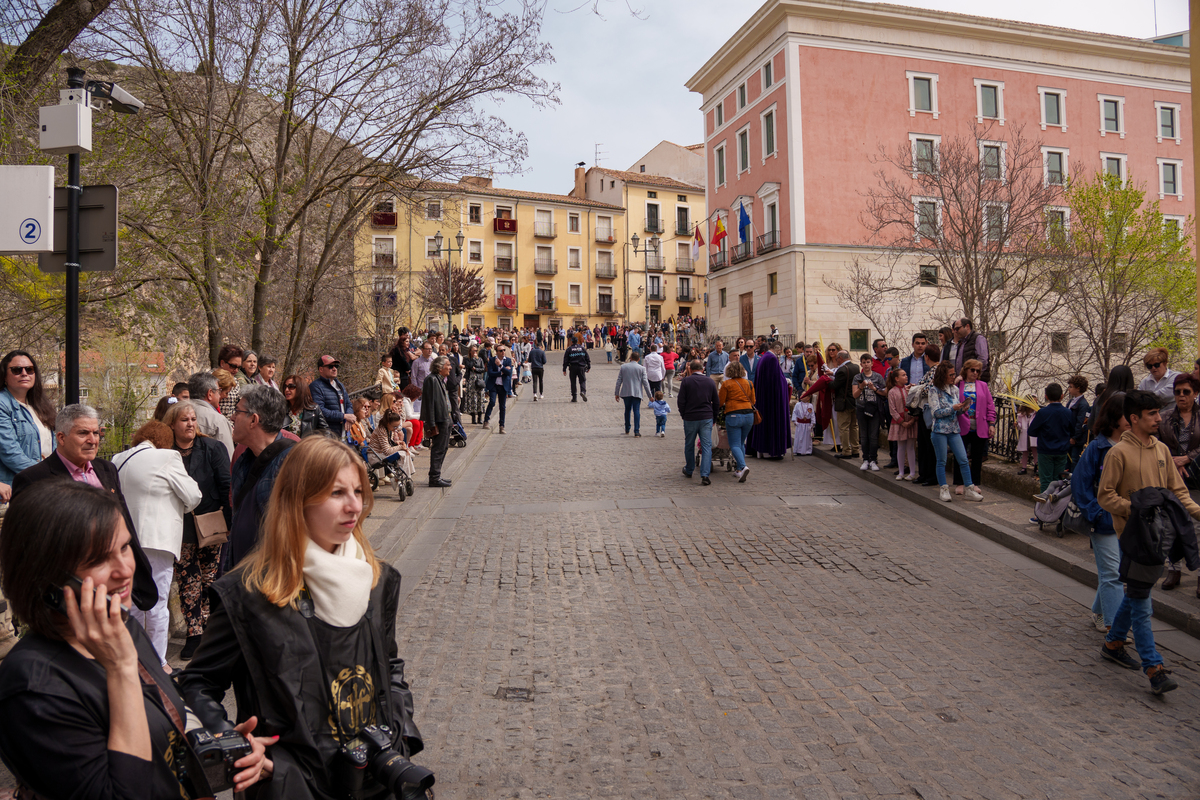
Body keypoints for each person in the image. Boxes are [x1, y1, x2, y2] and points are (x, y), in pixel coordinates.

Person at [178, 436, 425, 799]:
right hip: (294, 784)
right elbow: (198, 684)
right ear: (298, 499)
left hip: (375, 777)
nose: (354, 505)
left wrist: (400, 730)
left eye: (358, 491)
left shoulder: (377, 579)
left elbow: (389, 663)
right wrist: (237, 746)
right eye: (336, 493)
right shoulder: (247, 595)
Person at [0, 481, 270, 799]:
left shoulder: (119, 626)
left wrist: (213, 744)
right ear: (46, 579)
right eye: (99, 559)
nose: (125, 570)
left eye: (125, 547)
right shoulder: (33, 684)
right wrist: (121, 668)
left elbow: (164, 707)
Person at [1097, 390, 1200, 694]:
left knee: (1136, 594)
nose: (1159, 418)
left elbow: (1179, 492)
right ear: (1133, 419)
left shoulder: (1162, 451)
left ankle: (1114, 643)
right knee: (1142, 603)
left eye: (1158, 412)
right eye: (1152, 414)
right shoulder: (1117, 453)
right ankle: (1153, 668)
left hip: (1160, 535)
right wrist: (1134, 510)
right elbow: (1106, 496)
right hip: (1133, 538)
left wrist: (1197, 512)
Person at [12, 404, 159, 612]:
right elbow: (25, 545)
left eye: (96, 433)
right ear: (61, 438)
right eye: (83, 433)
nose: (93, 440)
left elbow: (124, 520)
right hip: (68, 592)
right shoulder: (33, 479)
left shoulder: (106, 469)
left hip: (115, 581)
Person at [111, 420, 202, 669]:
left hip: (125, 540)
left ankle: (135, 657)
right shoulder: (168, 456)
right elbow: (193, 495)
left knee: (133, 601)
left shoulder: (117, 459)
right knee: (158, 602)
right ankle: (159, 662)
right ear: (164, 440)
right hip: (157, 538)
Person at [162, 400, 232, 660]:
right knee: (187, 579)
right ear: (172, 424)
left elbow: (226, 484)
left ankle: (208, 628)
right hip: (179, 526)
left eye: (192, 419)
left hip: (210, 521)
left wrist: (230, 519)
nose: (190, 423)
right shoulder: (164, 452)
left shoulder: (212, 447)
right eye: (184, 420)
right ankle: (194, 633)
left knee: (209, 578)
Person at [1071, 392, 1128, 634]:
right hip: (1104, 521)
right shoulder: (1097, 447)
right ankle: (1116, 632)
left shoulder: (1133, 447)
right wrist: (1096, 514)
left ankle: (1098, 610)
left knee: (1113, 572)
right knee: (1113, 574)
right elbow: (1080, 484)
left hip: (1127, 521)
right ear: (1116, 417)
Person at [227, 385, 295, 568]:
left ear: (253, 420)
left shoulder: (291, 463)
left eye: (237, 411)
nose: (232, 417)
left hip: (271, 581)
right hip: (243, 577)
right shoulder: (243, 459)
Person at [1156, 373, 1200, 593]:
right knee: (1171, 525)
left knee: (1197, 527)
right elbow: (1157, 443)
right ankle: (1174, 569)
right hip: (1171, 478)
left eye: (1186, 392)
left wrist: (1189, 457)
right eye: (1177, 392)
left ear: (1196, 394)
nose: (1181, 396)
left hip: (1197, 480)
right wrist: (1173, 460)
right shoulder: (1164, 417)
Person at [0, 350, 56, 500]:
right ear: (4, 375)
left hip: (45, 487)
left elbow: (55, 444)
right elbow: (9, 451)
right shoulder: (2, 404)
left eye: (29, 369)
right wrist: (46, 474)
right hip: (18, 489)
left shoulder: (41, 405)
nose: (24, 373)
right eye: (17, 370)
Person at [927, 362, 984, 502]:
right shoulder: (934, 390)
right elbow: (935, 413)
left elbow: (955, 412)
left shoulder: (954, 389)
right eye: (951, 375)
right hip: (940, 430)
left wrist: (961, 409)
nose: (954, 377)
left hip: (953, 429)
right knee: (941, 460)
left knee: (963, 459)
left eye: (954, 374)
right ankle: (944, 489)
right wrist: (953, 408)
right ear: (943, 375)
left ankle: (969, 489)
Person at [952, 359, 996, 496]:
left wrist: (992, 424)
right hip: (961, 424)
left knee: (977, 456)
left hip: (979, 425)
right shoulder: (958, 385)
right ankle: (959, 482)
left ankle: (974, 483)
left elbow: (990, 406)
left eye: (978, 371)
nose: (975, 373)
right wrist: (955, 381)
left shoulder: (983, 385)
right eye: (972, 370)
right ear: (966, 370)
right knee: (960, 455)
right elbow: (949, 396)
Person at [678, 359, 719, 485]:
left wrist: (683, 414)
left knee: (689, 444)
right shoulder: (710, 381)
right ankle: (705, 475)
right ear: (702, 369)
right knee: (706, 446)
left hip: (690, 417)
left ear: (690, 369)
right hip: (706, 417)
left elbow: (681, 401)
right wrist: (714, 417)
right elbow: (716, 402)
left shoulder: (686, 381)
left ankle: (689, 469)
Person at [746, 346, 791, 459]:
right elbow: (776, 381)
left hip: (764, 396)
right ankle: (772, 450)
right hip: (771, 399)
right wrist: (785, 384)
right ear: (777, 349)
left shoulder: (763, 358)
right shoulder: (771, 359)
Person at [1028, 383, 1073, 493]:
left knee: (1046, 480)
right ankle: (1056, 504)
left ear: (1046, 396)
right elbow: (1072, 430)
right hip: (1061, 450)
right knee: (1058, 480)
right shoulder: (1068, 412)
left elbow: (1031, 431)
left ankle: (1045, 505)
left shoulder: (1043, 412)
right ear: (1062, 396)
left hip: (1045, 450)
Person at [719, 360, 755, 481]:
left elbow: (720, 402)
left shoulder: (726, 384)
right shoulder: (749, 383)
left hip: (733, 414)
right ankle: (739, 469)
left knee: (734, 444)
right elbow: (753, 401)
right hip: (749, 415)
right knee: (740, 442)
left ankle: (743, 466)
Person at [188, 370, 235, 460]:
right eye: (218, 391)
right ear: (210, 394)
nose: (220, 395)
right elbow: (227, 456)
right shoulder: (218, 420)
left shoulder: (176, 412)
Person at [422, 356, 454, 487]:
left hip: (445, 418)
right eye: (448, 365)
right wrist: (432, 423)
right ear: (440, 367)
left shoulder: (439, 380)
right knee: (438, 449)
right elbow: (429, 403)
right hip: (439, 420)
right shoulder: (431, 380)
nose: (450, 367)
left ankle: (437, 475)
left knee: (443, 447)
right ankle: (434, 477)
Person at [851, 354, 885, 471]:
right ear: (861, 364)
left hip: (874, 410)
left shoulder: (878, 377)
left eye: (868, 362)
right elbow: (854, 395)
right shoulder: (857, 377)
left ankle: (874, 460)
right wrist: (861, 387)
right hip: (861, 409)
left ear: (872, 363)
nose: (866, 364)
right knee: (864, 436)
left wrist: (874, 388)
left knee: (874, 436)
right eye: (864, 362)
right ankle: (865, 459)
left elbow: (884, 392)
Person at [309, 355, 354, 439]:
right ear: (321, 369)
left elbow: (348, 404)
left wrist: (349, 416)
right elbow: (320, 411)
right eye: (330, 366)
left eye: (336, 366)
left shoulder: (340, 385)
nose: (334, 369)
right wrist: (343, 416)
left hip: (343, 435)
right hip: (326, 436)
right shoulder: (315, 386)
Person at [614, 350, 653, 437]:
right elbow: (645, 383)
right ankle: (636, 431)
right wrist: (650, 395)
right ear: (638, 359)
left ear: (630, 358)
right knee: (636, 411)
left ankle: (627, 428)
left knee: (627, 410)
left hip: (626, 392)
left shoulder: (624, 367)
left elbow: (619, 381)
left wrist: (617, 393)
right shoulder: (642, 368)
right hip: (637, 392)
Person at [887, 368, 917, 479]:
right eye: (903, 375)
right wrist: (902, 422)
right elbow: (892, 410)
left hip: (910, 420)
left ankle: (912, 472)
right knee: (900, 446)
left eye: (906, 374)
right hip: (900, 422)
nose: (906, 376)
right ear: (896, 378)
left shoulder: (910, 389)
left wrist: (913, 420)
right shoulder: (892, 392)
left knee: (910, 447)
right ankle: (901, 472)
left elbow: (915, 403)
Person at [831, 350, 860, 460]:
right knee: (854, 426)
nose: (837, 361)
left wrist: (827, 380)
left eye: (837, 359)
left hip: (843, 402)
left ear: (840, 358)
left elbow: (835, 385)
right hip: (854, 401)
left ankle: (846, 450)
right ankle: (856, 449)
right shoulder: (856, 367)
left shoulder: (842, 370)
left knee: (843, 427)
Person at [483, 344, 513, 433]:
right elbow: (490, 373)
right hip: (494, 385)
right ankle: (486, 420)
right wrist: (501, 372)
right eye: (501, 350)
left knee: (502, 406)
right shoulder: (492, 360)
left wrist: (500, 366)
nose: (503, 352)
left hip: (503, 386)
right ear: (497, 352)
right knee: (492, 402)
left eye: (504, 350)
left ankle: (502, 426)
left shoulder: (507, 360)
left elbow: (509, 373)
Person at [1066, 374, 1091, 465]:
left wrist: (1075, 437)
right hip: (1069, 435)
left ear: (1078, 388)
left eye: (1071, 387)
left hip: (1076, 438)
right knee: (1067, 459)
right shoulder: (1071, 401)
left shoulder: (1083, 404)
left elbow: (1080, 422)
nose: (1069, 389)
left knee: (1074, 459)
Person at [215, 344, 245, 419]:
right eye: (233, 366)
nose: (236, 370)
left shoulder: (236, 382)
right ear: (222, 363)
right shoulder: (209, 379)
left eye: (239, 367)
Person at [463, 344, 487, 423]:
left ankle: (480, 418)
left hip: (479, 380)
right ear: (470, 351)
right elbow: (469, 366)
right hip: (471, 381)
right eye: (473, 351)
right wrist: (473, 359)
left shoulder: (479, 359)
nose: (475, 352)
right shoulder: (466, 358)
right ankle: (473, 418)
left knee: (480, 398)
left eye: (476, 351)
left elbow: (483, 369)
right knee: (472, 399)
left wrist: (476, 369)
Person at [563, 333, 591, 401]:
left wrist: (564, 369)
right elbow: (587, 358)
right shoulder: (582, 348)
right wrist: (589, 366)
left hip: (572, 367)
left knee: (573, 382)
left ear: (571, 341)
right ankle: (583, 392)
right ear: (577, 341)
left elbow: (566, 360)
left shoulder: (569, 349)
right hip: (581, 367)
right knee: (582, 380)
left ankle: (574, 397)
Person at [388, 327, 415, 391]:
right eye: (406, 341)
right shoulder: (398, 350)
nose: (408, 343)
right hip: (400, 377)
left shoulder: (403, 350)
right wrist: (408, 368)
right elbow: (405, 364)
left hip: (403, 376)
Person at [1016, 401, 1038, 476]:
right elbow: (1020, 426)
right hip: (1025, 435)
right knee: (1025, 452)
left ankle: (1037, 467)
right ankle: (1024, 467)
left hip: (1033, 435)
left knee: (1035, 451)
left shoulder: (1037, 414)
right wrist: (1017, 425)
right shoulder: (1021, 415)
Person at [791, 392, 814, 456]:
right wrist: (795, 421)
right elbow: (794, 413)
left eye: (804, 395)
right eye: (801, 394)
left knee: (807, 438)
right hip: (800, 424)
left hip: (807, 425)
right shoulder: (798, 404)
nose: (801, 396)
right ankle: (798, 450)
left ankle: (807, 450)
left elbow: (812, 415)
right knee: (799, 437)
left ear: (808, 398)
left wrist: (812, 423)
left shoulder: (810, 405)